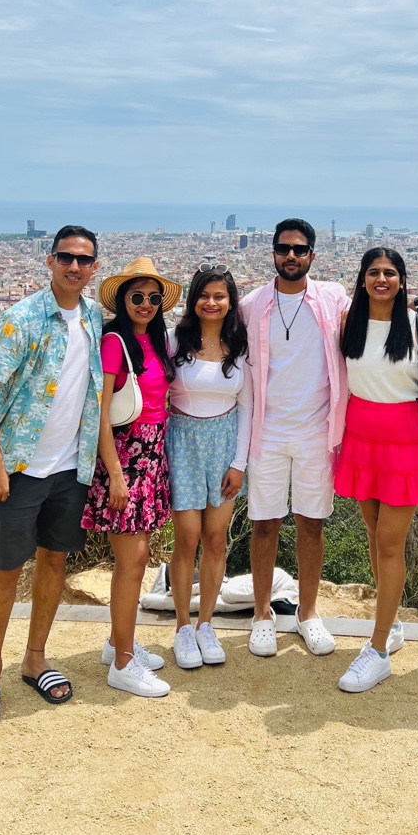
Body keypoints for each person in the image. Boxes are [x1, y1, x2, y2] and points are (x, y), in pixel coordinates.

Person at [0, 225, 103, 722]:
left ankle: (35, 658)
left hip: (71, 467)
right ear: (50, 261)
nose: (74, 266)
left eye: (83, 260)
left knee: (53, 562)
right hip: (21, 468)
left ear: (94, 268)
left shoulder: (93, 319)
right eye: (66, 257)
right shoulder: (19, 319)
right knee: (5, 569)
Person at [240, 218, 348, 658]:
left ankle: (307, 613)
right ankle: (262, 613)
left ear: (312, 256)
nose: (291, 256)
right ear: (272, 253)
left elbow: (374, 318)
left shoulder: (332, 298)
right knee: (264, 524)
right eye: (284, 248)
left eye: (300, 250)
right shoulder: (251, 304)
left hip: (315, 431)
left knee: (311, 523)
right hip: (266, 431)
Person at [334, 248, 418, 692]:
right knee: (375, 537)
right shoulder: (348, 324)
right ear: (361, 279)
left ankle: (377, 650)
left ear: (402, 280)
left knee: (391, 542)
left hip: (405, 437)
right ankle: (390, 623)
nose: (382, 279)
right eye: (374, 272)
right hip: (361, 434)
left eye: (390, 273)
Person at [82, 257, 182, 698]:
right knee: (133, 561)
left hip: (151, 456)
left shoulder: (154, 342)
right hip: (124, 458)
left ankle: (116, 644)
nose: (145, 303)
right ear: (122, 300)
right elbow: (102, 416)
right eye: (136, 296)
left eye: (152, 298)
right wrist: (117, 474)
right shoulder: (114, 343)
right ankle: (122, 664)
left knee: (136, 560)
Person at [165, 264, 252, 669]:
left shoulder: (241, 347)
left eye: (220, 296)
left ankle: (205, 624)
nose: (212, 303)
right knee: (187, 537)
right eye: (205, 295)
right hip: (182, 441)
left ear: (231, 302)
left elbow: (248, 408)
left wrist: (239, 462)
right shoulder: (173, 342)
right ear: (193, 300)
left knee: (216, 540)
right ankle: (183, 626)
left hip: (224, 444)